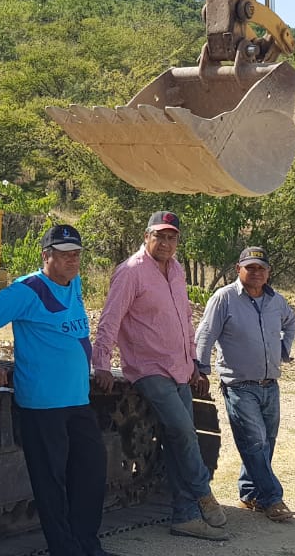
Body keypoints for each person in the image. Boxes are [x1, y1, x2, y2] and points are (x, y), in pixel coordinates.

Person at [0, 224, 116, 556]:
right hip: (42, 404)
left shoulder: (74, 283)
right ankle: (64, 548)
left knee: (90, 472)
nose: (72, 261)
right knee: (51, 483)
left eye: (76, 255)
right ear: (46, 256)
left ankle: (87, 543)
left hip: (77, 400)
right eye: (64, 255)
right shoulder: (27, 290)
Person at [92, 211, 229, 541]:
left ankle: (185, 515)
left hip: (180, 367)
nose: (166, 242)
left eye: (172, 237)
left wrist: (194, 360)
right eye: (160, 236)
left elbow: (184, 317)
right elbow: (110, 319)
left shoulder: (177, 270)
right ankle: (202, 493)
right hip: (148, 367)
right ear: (146, 236)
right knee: (182, 430)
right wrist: (100, 363)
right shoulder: (130, 273)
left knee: (181, 440)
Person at [194, 246, 295, 523]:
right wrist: (200, 369)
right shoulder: (224, 298)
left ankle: (250, 494)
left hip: (270, 384)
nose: (256, 273)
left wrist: (283, 350)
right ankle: (272, 498)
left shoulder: (276, 301)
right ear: (238, 269)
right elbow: (205, 333)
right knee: (254, 442)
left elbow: (290, 322)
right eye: (250, 267)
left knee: (267, 442)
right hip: (239, 385)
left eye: (261, 268)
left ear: (268, 272)